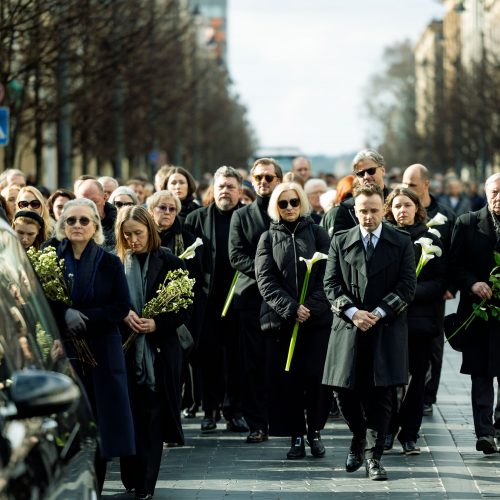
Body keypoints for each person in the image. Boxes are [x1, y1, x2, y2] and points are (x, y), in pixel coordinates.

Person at [322, 184, 416, 481]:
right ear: (354, 211)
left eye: (375, 210)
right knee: (342, 390)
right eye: (363, 211)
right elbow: (331, 284)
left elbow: (406, 286)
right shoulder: (340, 241)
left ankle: (374, 458)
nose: (369, 216)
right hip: (348, 327)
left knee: (382, 393)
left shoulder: (400, 242)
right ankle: (358, 436)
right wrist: (352, 312)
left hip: (385, 327)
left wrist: (378, 313)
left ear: (383, 210)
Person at [47, 198, 135, 491]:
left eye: (84, 220)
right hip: (64, 347)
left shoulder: (109, 261)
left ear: (95, 226)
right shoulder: (50, 256)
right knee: (67, 416)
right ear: (62, 225)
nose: (77, 226)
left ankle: (95, 483)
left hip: (101, 347)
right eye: (70, 220)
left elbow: (122, 306)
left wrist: (85, 317)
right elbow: (42, 298)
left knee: (100, 418)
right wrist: (64, 314)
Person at [255, 182, 332, 459]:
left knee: (316, 380)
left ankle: (315, 432)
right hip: (282, 322)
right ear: (275, 207)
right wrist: (290, 308)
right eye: (283, 203)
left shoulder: (319, 233)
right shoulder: (267, 238)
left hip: (316, 322)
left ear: (302, 203)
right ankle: (296, 434)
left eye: (294, 202)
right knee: (288, 381)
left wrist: (310, 307)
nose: (289, 208)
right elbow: (266, 280)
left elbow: (329, 275)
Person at [116, 206, 187, 499]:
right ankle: (131, 477)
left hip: (158, 352)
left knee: (153, 419)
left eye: (138, 233)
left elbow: (184, 306)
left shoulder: (169, 261)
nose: (134, 240)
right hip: (125, 352)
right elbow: (109, 300)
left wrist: (157, 322)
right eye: (128, 234)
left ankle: (146, 484)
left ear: (150, 231)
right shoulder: (117, 263)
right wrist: (124, 315)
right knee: (129, 415)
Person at [185, 166, 247, 434]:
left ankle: (233, 411)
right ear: (213, 188)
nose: (225, 191)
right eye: (221, 186)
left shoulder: (247, 218)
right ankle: (209, 410)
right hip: (206, 301)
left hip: (240, 300)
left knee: (236, 359)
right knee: (208, 357)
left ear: (239, 191)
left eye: (230, 187)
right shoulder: (197, 218)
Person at [383, 187, 446, 455]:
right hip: (389, 321)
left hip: (420, 321)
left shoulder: (430, 237)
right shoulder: (384, 237)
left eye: (407, 205)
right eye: (397, 206)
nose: (402, 210)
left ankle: (409, 433)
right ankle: (386, 430)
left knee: (417, 378)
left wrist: (410, 294)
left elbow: (440, 280)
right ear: (390, 209)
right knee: (389, 380)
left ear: (417, 208)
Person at [229, 157, 283, 443]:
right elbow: (236, 255)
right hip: (251, 299)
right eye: (258, 178)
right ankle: (256, 423)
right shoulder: (242, 215)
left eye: (269, 178)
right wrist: (267, 274)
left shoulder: (287, 210)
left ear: (279, 181)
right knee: (252, 364)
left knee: (278, 363)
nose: (263, 183)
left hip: (283, 300)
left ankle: (279, 419)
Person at [448, 172, 500, 455]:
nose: (499, 197)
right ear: (485, 192)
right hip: (477, 313)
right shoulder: (467, 223)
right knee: (480, 375)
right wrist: (472, 283)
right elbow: (453, 265)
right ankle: (485, 433)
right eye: (494, 192)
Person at [402, 163, 456, 416]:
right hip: (405, 297)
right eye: (404, 183)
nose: (407, 188)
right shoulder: (401, 215)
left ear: (426, 184)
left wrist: (450, 286)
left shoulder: (445, 215)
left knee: (433, 347)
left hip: (432, 295)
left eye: (412, 184)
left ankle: (427, 396)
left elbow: (455, 253)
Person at [148, 189, 204, 418]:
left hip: (177, 317)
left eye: (172, 209)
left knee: (174, 372)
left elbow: (197, 280)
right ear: (151, 210)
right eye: (162, 207)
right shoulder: (144, 237)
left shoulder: (187, 239)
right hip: (146, 316)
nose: (167, 213)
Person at [332, 149, 390, 234]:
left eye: (371, 171)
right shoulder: (346, 208)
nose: (366, 176)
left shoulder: (396, 200)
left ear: (383, 170)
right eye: (361, 174)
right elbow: (339, 242)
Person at [76, 178, 117, 251]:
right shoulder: (69, 223)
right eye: (83, 202)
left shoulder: (118, 224)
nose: (88, 207)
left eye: (94, 202)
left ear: (104, 198)